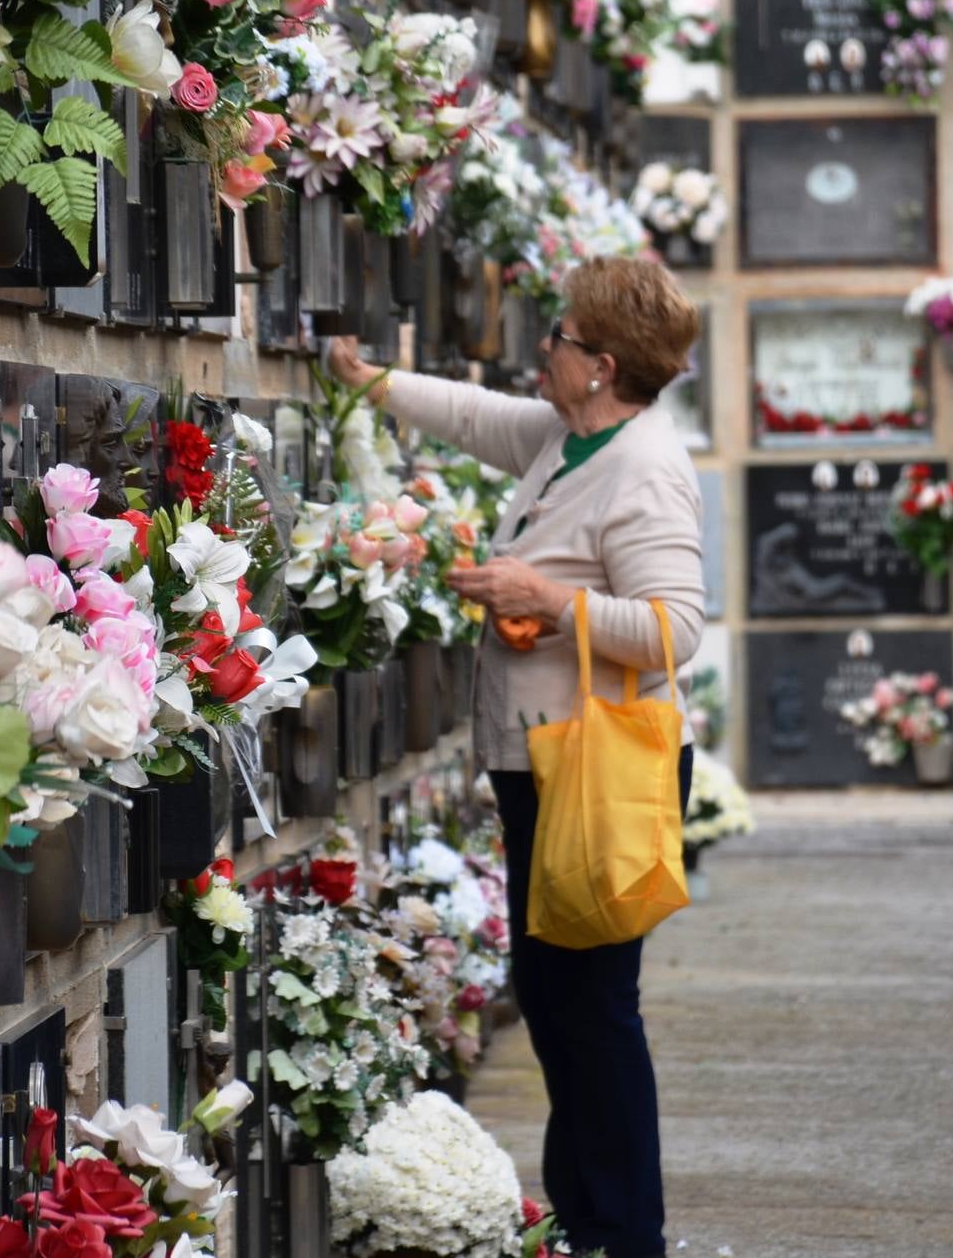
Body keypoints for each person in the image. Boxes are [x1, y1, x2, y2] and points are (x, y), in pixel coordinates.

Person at [328, 255, 705, 1258]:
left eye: (564, 337)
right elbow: (476, 415)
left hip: (597, 770)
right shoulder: (567, 437)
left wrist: (549, 602)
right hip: (544, 764)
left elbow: (677, 629)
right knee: (556, 997)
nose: (546, 347)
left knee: (592, 1007)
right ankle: (592, 1216)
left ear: (604, 364)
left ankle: (623, 1232)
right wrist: (367, 380)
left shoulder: (642, 466)